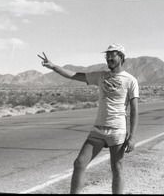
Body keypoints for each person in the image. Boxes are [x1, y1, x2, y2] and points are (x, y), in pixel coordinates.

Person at [38, 43, 139, 194]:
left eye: (113, 55)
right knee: (79, 163)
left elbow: (135, 110)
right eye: (108, 55)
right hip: (98, 129)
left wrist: (132, 137)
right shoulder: (100, 76)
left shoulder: (130, 80)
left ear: (121, 57)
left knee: (117, 168)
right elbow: (73, 75)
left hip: (117, 130)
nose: (109, 58)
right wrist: (53, 66)